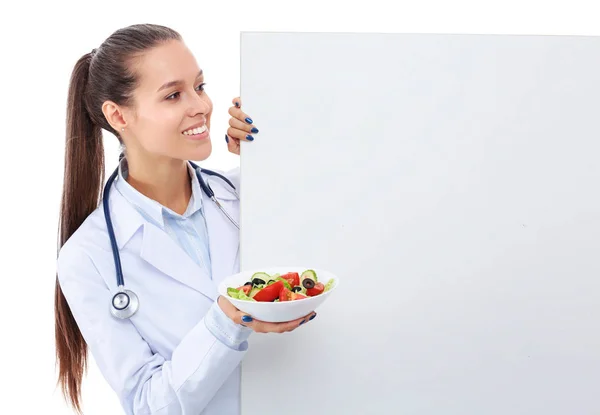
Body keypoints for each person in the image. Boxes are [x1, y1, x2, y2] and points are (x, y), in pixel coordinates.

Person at [55, 23, 316, 415]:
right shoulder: (87, 257)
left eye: (200, 86)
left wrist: (271, 156)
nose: (202, 106)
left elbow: (346, 211)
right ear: (118, 116)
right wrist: (227, 322)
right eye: (174, 95)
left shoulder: (250, 193)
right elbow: (147, 404)